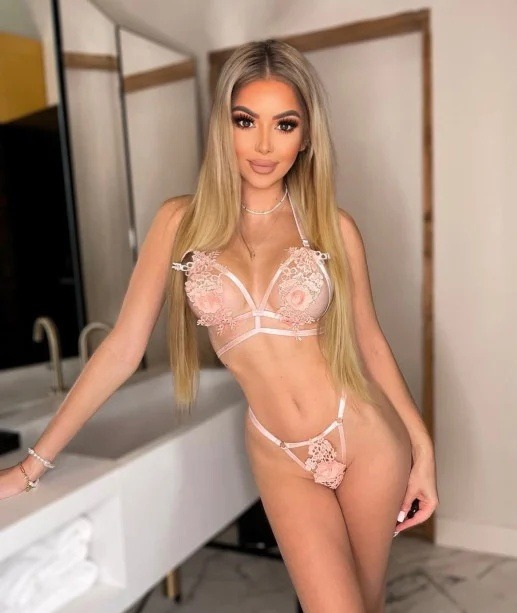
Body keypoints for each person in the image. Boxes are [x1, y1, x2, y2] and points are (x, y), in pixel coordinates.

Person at [0, 39, 438, 612]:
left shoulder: (333, 227)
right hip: (280, 455)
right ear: (222, 127)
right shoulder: (178, 223)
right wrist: (30, 467)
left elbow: (370, 344)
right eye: (245, 120)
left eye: (285, 124)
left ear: (306, 136)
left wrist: (422, 451)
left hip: (364, 437)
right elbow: (122, 350)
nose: (264, 144)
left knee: (366, 604)